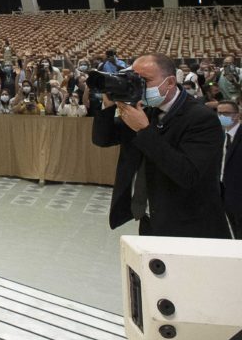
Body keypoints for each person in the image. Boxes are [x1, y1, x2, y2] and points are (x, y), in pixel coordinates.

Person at [92, 53, 230, 238]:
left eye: (145, 81)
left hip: (190, 226)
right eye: (134, 80)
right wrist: (108, 107)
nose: (138, 87)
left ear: (170, 83)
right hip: (150, 218)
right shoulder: (146, 110)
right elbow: (103, 139)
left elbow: (187, 174)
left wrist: (143, 130)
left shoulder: (202, 118)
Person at [219, 101, 241, 238]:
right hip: (224, 190)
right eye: (219, 113)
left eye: (226, 113)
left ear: (237, 115)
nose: (222, 116)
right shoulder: (220, 135)